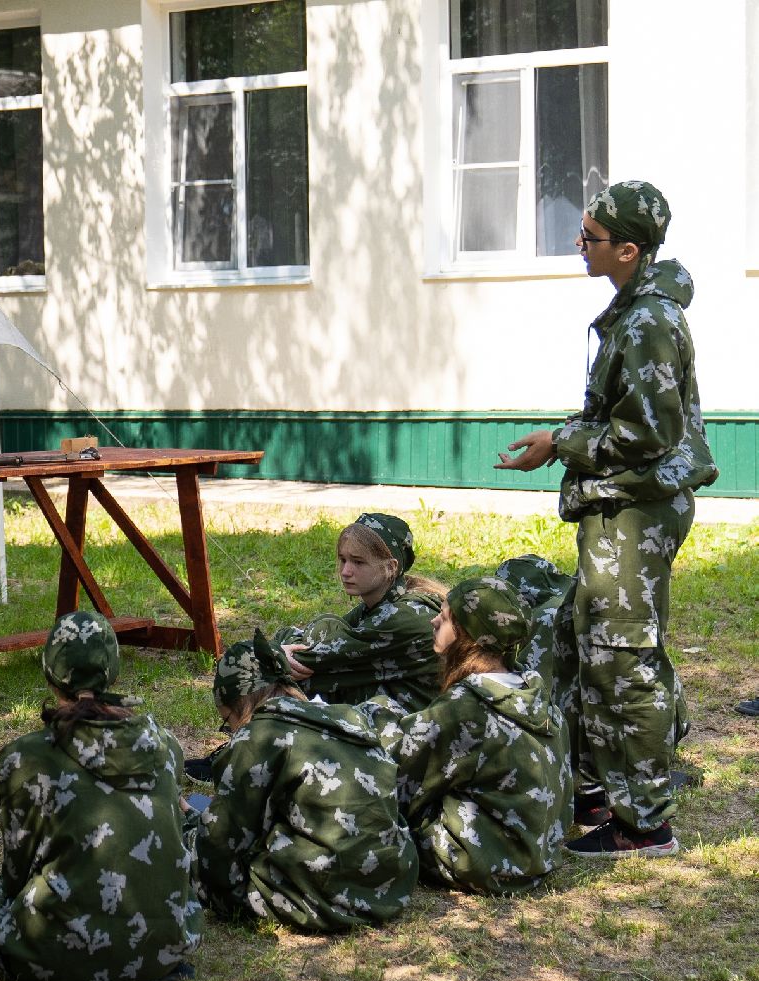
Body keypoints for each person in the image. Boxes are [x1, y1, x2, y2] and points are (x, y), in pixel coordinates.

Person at [496, 180, 717, 858]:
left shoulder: (650, 321)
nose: (577, 245)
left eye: (588, 238)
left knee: (622, 660)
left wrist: (562, 444)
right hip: (621, 506)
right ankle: (599, 786)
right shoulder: (633, 310)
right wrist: (563, 437)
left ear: (628, 249)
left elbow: (649, 433)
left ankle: (644, 821)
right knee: (585, 642)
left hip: (635, 512)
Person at [0, 611, 203, 981]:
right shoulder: (166, 746)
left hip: (51, 956)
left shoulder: (25, 758)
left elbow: (15, 884)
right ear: (112, 671)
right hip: (162, 950)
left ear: (50, 672)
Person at [189, 630, 417, 933]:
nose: (231, 731)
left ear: (240, 702)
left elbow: (221, 847)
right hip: (390, 886)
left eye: (228, 720)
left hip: (321, 898)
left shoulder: (258, 736)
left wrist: (188, 827)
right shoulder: (348, 716)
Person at [359, 578, 572, 895]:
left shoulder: (468, 706)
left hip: (484, 862)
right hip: (537, 857)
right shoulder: (535, 693)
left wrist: (376, 710)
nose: (433, 620)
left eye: (444, 618)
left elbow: (398, 771)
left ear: (467, 636)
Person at [274, 513, 446, 712]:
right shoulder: (382, 601)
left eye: (358, 562)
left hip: (413, 726)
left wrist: (275, 651)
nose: (345, 571)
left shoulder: (402, 616)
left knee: (295, 674)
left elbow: (311, 659)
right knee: (326, 626)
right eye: (343, 559)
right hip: (402, 712)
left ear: (390, 567)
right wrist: (280, 651)